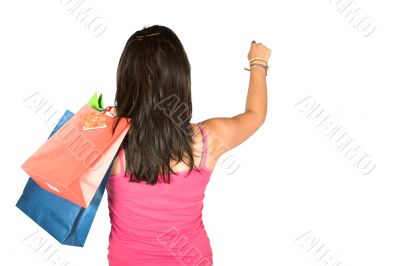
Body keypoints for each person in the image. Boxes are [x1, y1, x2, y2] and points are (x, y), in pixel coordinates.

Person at [106, 25, 271, 266]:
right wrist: (258, 62)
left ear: (125, 80)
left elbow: (58, 169)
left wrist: (105, 119)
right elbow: (256, 114)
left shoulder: (109, 142)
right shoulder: (207, 140)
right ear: (181, 78)